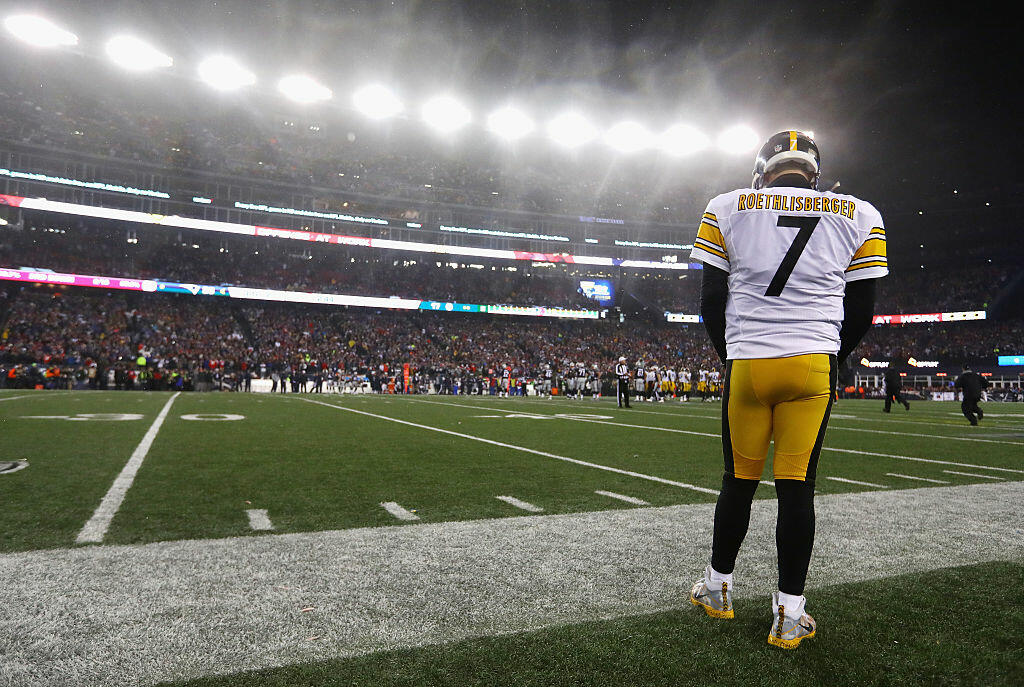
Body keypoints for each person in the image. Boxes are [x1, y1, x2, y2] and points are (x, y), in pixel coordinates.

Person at [687, 131, 885, 649]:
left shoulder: (726, 206)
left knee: (738, 482)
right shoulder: (859, 213)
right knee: (796, 488)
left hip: (750, 364)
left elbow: (711, 301)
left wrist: (733, 359)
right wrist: (831, 360)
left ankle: (716, 589)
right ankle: (789, 616)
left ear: (763, 168)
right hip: (811, 364)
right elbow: (862, 311)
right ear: (813, 172)